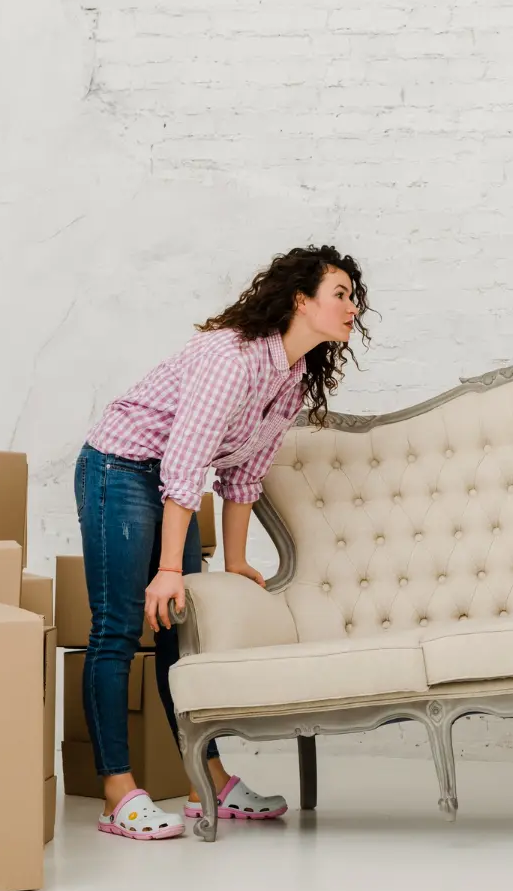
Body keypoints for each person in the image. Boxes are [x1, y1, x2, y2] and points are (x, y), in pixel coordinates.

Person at [76, 245, 369, 840]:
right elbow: (185, 465)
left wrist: (235, 561)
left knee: (178, 632)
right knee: (118, 626)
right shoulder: (231, 358)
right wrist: (167, 569)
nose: (352, 308)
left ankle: (204, 780)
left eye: (354, 298)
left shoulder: (290, 376)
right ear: (300, 300)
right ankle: (117, 792)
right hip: (121, 467)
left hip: (168, 485)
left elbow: (243, 474)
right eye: (340, 294)